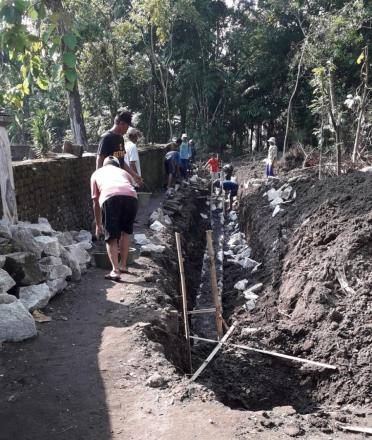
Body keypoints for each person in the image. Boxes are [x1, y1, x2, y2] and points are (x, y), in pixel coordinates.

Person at [91, 156, 138, 282]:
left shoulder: (96, 173)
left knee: (111, 236)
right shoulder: (124, 172)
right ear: (117, 165)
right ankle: (123, 265)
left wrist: (98, 224)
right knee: (126, 232)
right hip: (132, 198)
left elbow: (95, 202)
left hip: (111, 197)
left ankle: (115, 271)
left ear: (104, 165)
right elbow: (132, 186)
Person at [96, 110, 143, 186]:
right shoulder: (106, 138)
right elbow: (99, 160)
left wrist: (134, 175)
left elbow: (121, 162)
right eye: (127, 127)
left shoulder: (121, 138)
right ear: (121, 124)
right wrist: (98, 181)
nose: (127, 130)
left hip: (120, 180)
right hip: (108, 181)